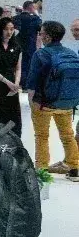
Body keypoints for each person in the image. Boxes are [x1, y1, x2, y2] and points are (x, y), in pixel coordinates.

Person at [22, 20, 79, 181]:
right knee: (68, 135)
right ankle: (74, 169)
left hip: (44, 103)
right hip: (66, 102)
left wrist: (32, 102)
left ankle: (42, 170)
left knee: (41, 136)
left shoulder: (40, 54)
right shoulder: (71, 53)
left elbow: (32, 81)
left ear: (47, 37)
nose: (40, 36)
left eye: (41, 33)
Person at [13, 0, 43, 82]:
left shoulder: (15, 18)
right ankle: (25, 84)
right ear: (31, 7)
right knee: (28, 67)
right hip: (30, 46)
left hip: (16, 46)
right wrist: (37, 14)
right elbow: (41, 28)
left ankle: (18, 82)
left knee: (18, 66)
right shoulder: (35, 19)